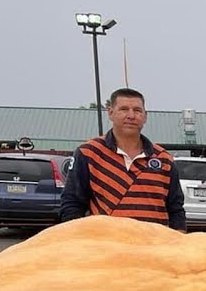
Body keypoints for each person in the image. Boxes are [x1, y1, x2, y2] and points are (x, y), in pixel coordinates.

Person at [60, 88, 186, 230]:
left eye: (137, 110)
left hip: (154, 246)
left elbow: (176, 208)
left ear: (145, 116)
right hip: (105, 245)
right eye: (124, 109)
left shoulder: (164, 158)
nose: (131, 116)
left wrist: (178, 241)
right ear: (111, 113)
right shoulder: (88, 153)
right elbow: (72, 203)